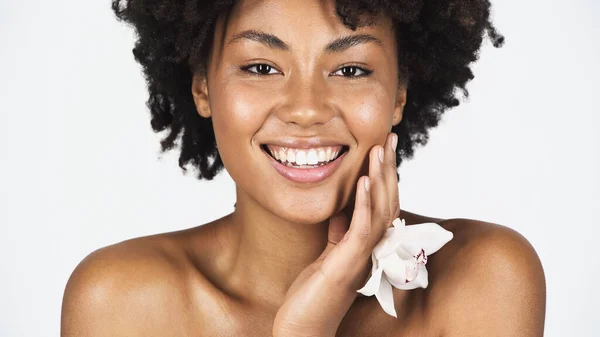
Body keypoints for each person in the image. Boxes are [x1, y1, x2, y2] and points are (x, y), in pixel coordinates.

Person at [61, 0, 546, 336]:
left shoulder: (485, 279)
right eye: (261, 68)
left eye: (351, 70)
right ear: (203, 88)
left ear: (399, 93)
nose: (307, 109)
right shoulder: (118, 303)